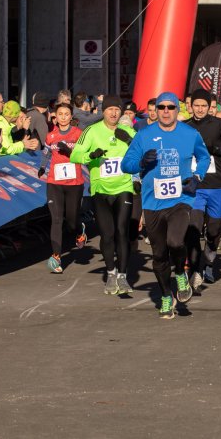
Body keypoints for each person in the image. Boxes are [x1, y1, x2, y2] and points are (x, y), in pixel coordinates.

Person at [122, 92, 211, 319]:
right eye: (161, 107)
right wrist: (141, 162)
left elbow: (204, 157)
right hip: (152, 202)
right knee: (159, 254)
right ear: (156, 110)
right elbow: (126, 164)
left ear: (178, 110)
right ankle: (165, 295)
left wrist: (197, 177)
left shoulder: (190, 134)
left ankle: (180, 272)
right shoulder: (144, 135)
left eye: (171, 107)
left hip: (181, 199)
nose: (166, 111)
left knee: (175, 241)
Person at [70, 95, 137, 295]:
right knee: (107, 234)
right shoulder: (91, 131)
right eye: (110, 110)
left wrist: (132, 141)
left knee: (122, 231)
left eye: (117, 109)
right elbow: (74, 156)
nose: (114, 113)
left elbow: (141, 155)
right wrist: (91, 156)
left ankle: (123, 276)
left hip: (123, 187)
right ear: (103, 112)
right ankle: (111, 272)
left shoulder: (127, 131)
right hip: (100, 190)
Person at [184, 89, 221, 288]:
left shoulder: (219, 124)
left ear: (210, 107)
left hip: (217, 185)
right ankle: (196, 269)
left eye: (204, 106)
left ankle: (207, 261)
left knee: (214, 231)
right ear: (191, 106)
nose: (200, 109)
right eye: (196, 105)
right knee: (193, 227)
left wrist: (216, 148)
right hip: (194, 186)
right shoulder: (184, 127)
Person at [40, 103, 86, 274]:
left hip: (74, 183)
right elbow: (46, 153)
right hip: (55, 183)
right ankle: (56, 255)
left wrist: (70, 152)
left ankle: (79, 230)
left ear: (71, 116)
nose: (64, 117)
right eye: (60, 114)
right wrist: (43, 168)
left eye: (67, 114)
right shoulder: (51, 135)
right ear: (55, 116)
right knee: (57, 219)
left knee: (71, 221)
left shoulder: (78, 134)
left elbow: (83, 154)